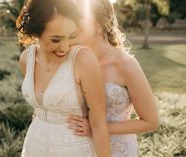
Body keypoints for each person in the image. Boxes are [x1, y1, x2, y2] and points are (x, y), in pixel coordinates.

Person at [16, 0, 110, 156]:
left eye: (71, 36)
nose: (65, 47)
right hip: (36, 144)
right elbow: (40, 106)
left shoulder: (83, 60)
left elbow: (99, 125)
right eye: (56, 40)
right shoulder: (27, 59)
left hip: (74, 148)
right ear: (35, 33)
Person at [66, 0, 159, 156]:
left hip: (117, 149)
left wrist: (95, 127)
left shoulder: (125, 64)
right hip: (76, 148)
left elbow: (150, 121)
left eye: (80, 16)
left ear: (99, 24)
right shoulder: (70, 61)